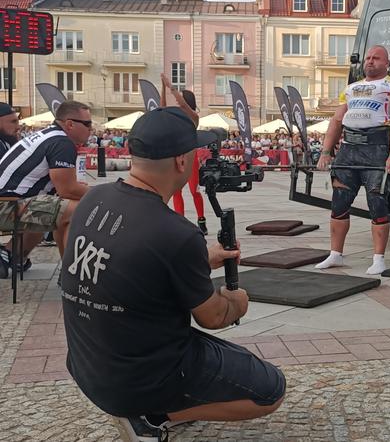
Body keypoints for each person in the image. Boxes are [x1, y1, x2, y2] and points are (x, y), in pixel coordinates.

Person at [61, 106, 286, 442]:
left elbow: (127, 262)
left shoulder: (94, 198)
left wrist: (199, 259)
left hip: (87, 366)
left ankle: (149, 405)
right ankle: (151, 416)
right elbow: (213, 317)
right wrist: (238, 300)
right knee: (270, 390)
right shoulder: (175, 232)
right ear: (182, 161)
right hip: (136, 379)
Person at [315, 45, 390, 275]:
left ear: (387, 63)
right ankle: (335, 254)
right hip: (348, 150)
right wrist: (326, 152)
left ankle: (378, 258)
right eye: (367, 58)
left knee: (377, 202)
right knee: (339, 202)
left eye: (376, 58)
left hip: (376, 148)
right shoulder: (350, 89)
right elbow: (336, 121)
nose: (370, 61)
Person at [0, 101, 91, 277]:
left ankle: (10, 255)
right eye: (87, 124)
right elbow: (68, 190)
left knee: (54, 208)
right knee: (75, 210)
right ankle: (71, 275)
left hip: (9, 202)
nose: (91, 128)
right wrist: (104, 194)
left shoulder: (49, 135)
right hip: (6, 206)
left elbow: (65, 190)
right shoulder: (61, 143)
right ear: (70, 124)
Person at [161, 74, 208, 235]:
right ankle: (179, 221)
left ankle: (201, 220)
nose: (178, 104)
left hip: (191, 157)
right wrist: (162, 87)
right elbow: (162, 109)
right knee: (176, 192)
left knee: (194, 190)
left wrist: (171, 87)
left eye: (181, 102)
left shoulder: (194, 118)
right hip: (176, 157)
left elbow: (182, 104)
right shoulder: (176, 117)